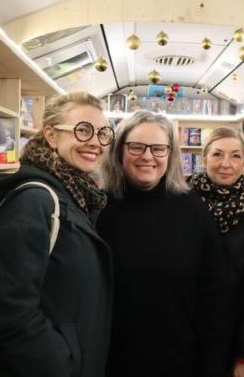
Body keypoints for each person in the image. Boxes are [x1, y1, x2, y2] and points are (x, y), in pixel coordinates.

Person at [0, 92, 115, 377]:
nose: (96, 142)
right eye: (83, 130)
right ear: (50, 135)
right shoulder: (36, 201)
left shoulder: (79, 194)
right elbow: (4, 312)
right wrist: (63, 364)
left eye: (102, 133)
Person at [97, 110, 231, 377]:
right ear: (119, 150)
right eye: (136, 146)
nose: (148, 156)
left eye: (158, 148)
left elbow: (215, 295)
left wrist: (212, 364)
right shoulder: (98, 208)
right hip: (108, 362)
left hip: (180, 362)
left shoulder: (193, 210)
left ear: (170, 155)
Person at [189, 127, 244, 377]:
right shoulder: (181, 204)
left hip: (233, 341)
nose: (226, 164)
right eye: (217, 154)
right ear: (204, 159)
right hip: (185, 336)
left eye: (235, 156)